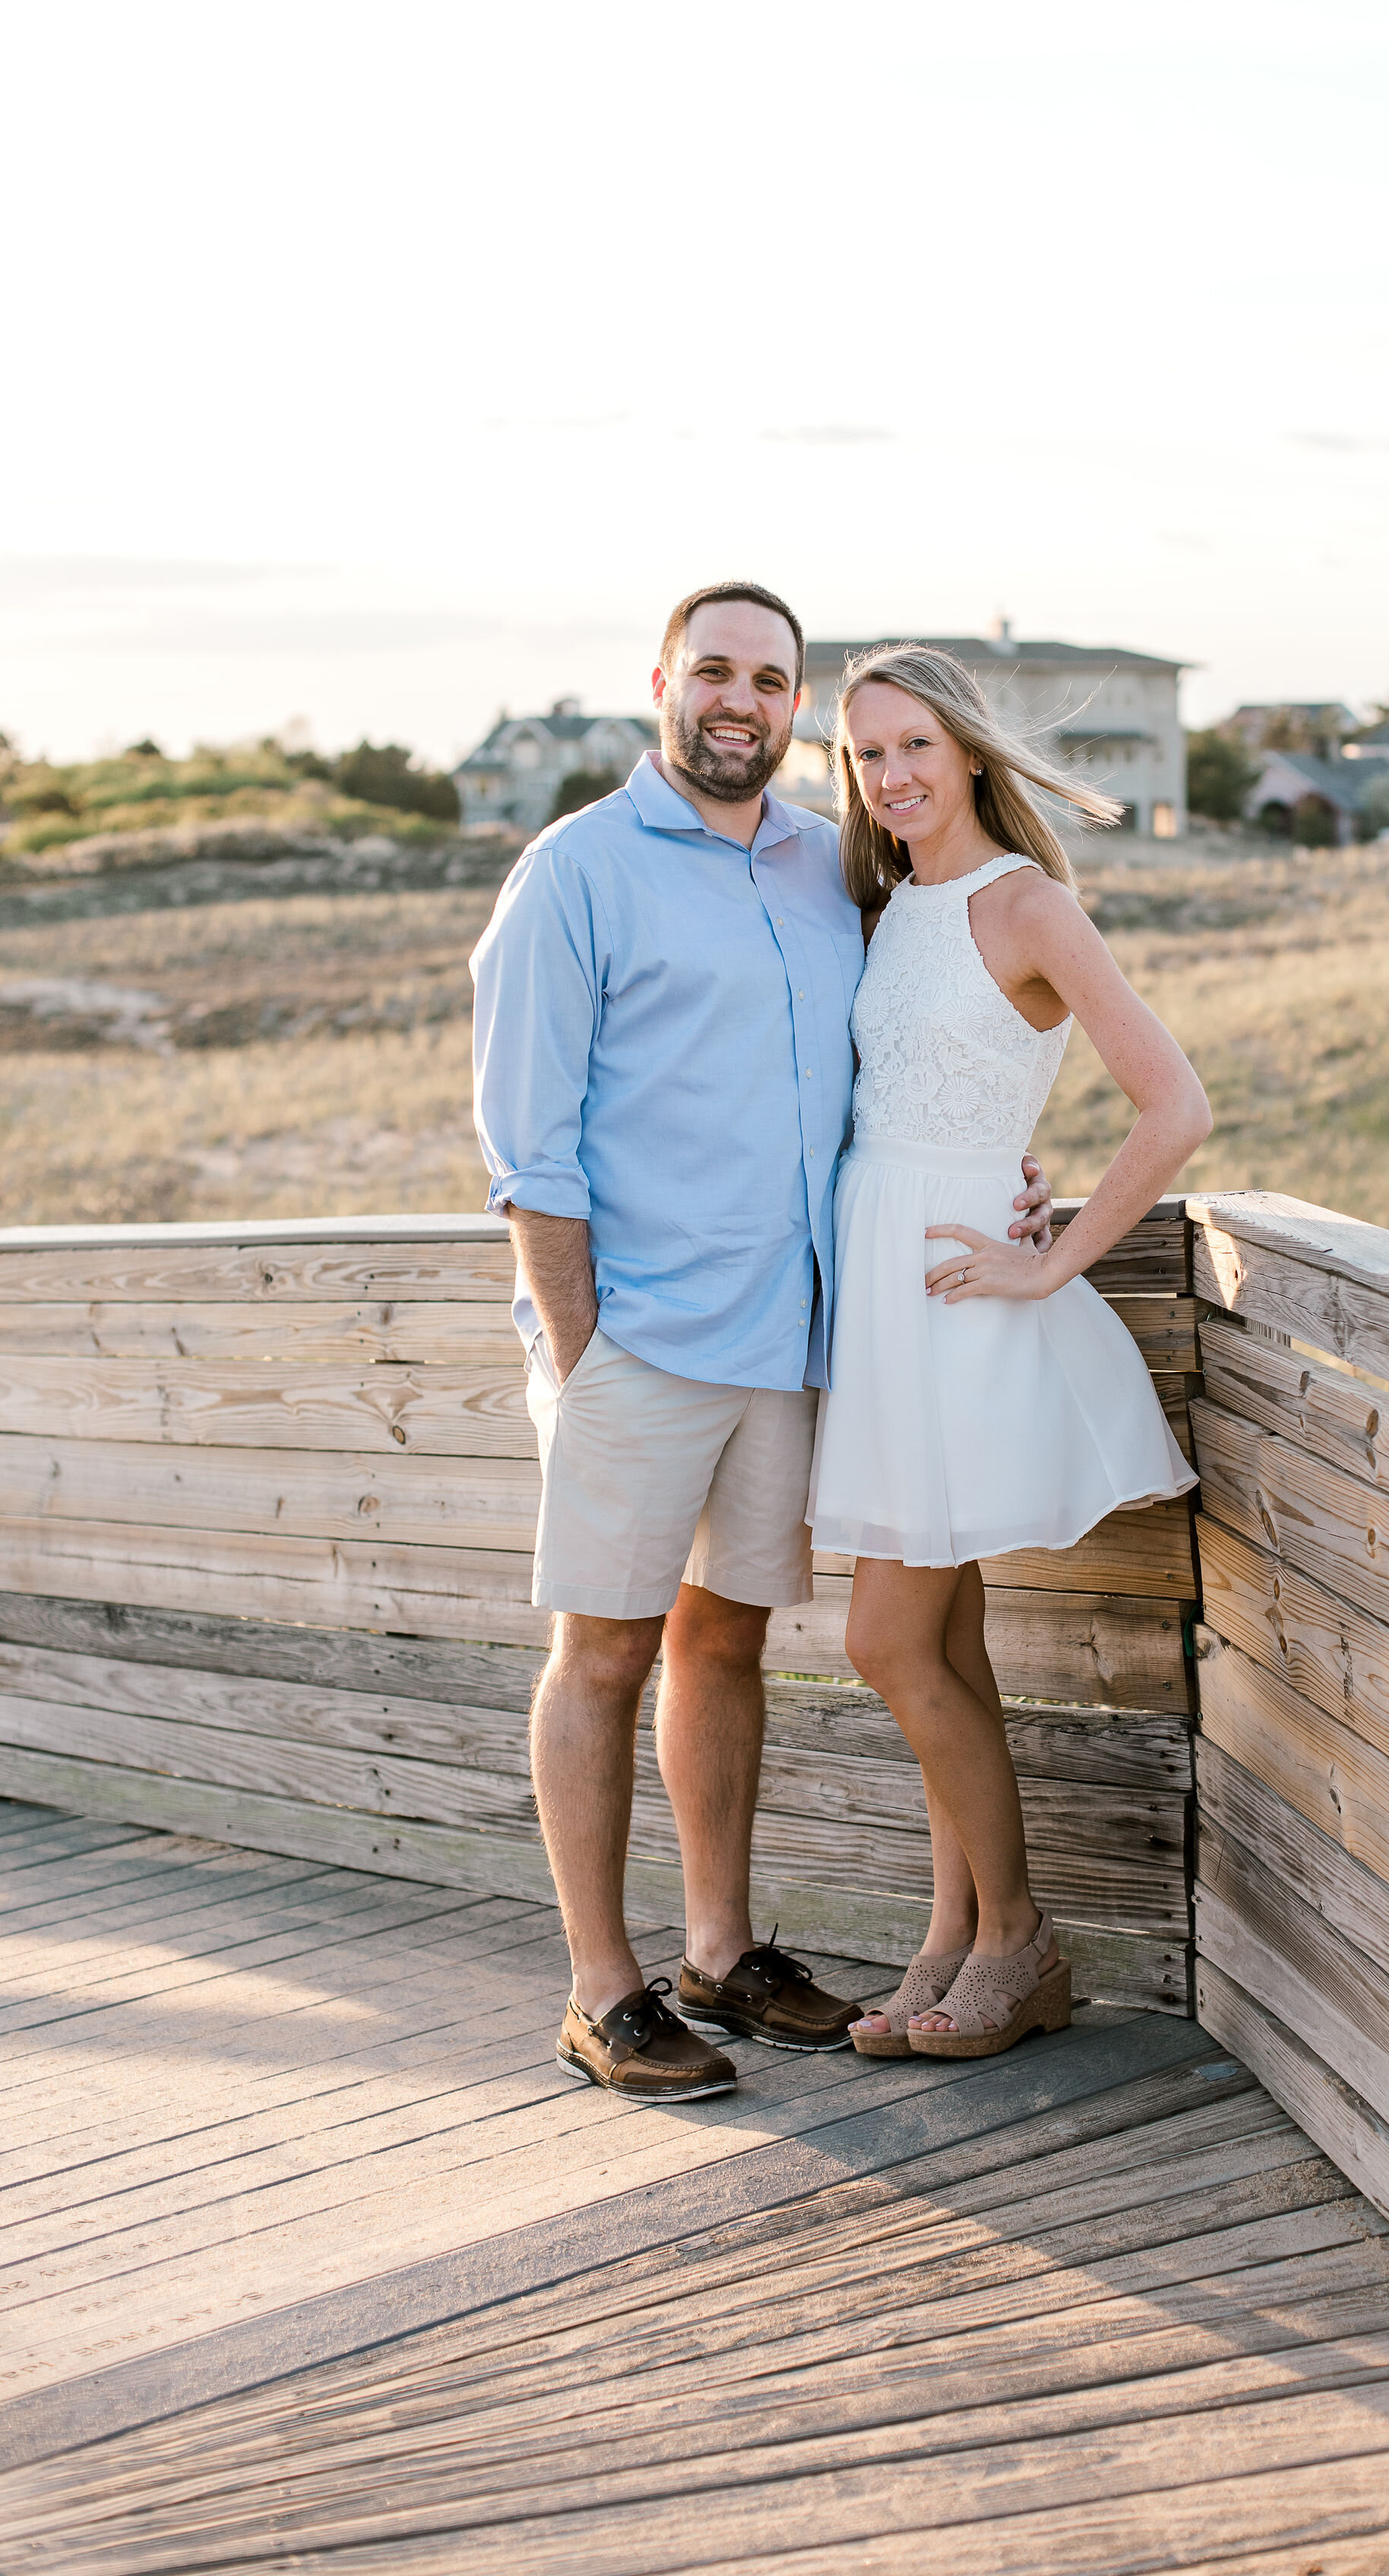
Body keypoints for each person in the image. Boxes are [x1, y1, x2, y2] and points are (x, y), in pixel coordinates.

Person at [468, 584, 1054, 2102]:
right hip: (641, 1344)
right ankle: (603, 1991)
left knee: (724, 1641)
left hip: (796, 1340)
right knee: (601, 1655)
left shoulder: (823, 864)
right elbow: (528, 1148)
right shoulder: (574, 874)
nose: (743, 699)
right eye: (715, 670)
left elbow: (917, 1059)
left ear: (794, 705)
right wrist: (578, 1347)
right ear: (663, 680)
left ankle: (718, 1956)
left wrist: (1013, 1180)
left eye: (770, 679)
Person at [812, 645, 1210, 2061]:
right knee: (947, 1633)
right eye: (866, 755)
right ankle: (953, 1935)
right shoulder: (882, 907)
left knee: (884, 1637)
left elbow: (1173, 1106)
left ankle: (1020, 1939)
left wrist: (1049, 1255)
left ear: (969, 750)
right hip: (880, 1277)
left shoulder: (1025, 903)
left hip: (960, 1287)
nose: (892, 776)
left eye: (914, 745)